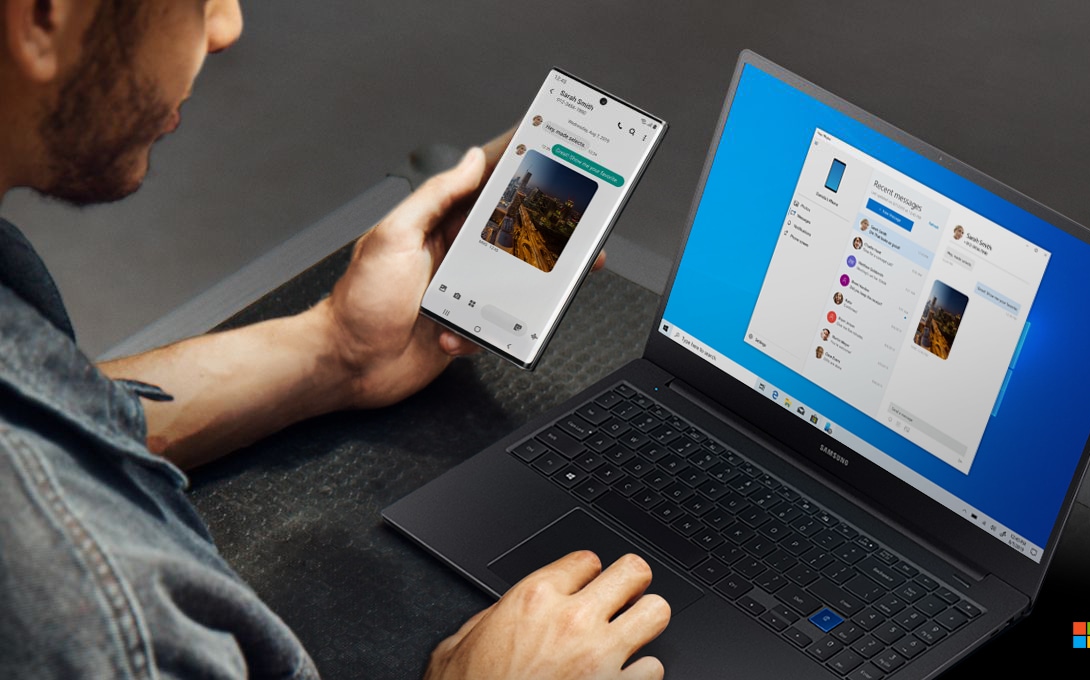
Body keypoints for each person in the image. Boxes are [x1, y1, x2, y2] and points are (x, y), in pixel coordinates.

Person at [0, 2, 668, 679]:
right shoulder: (85, 607)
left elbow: (47, 405)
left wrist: (338, 351)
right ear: (42, 17)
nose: (228, 25)